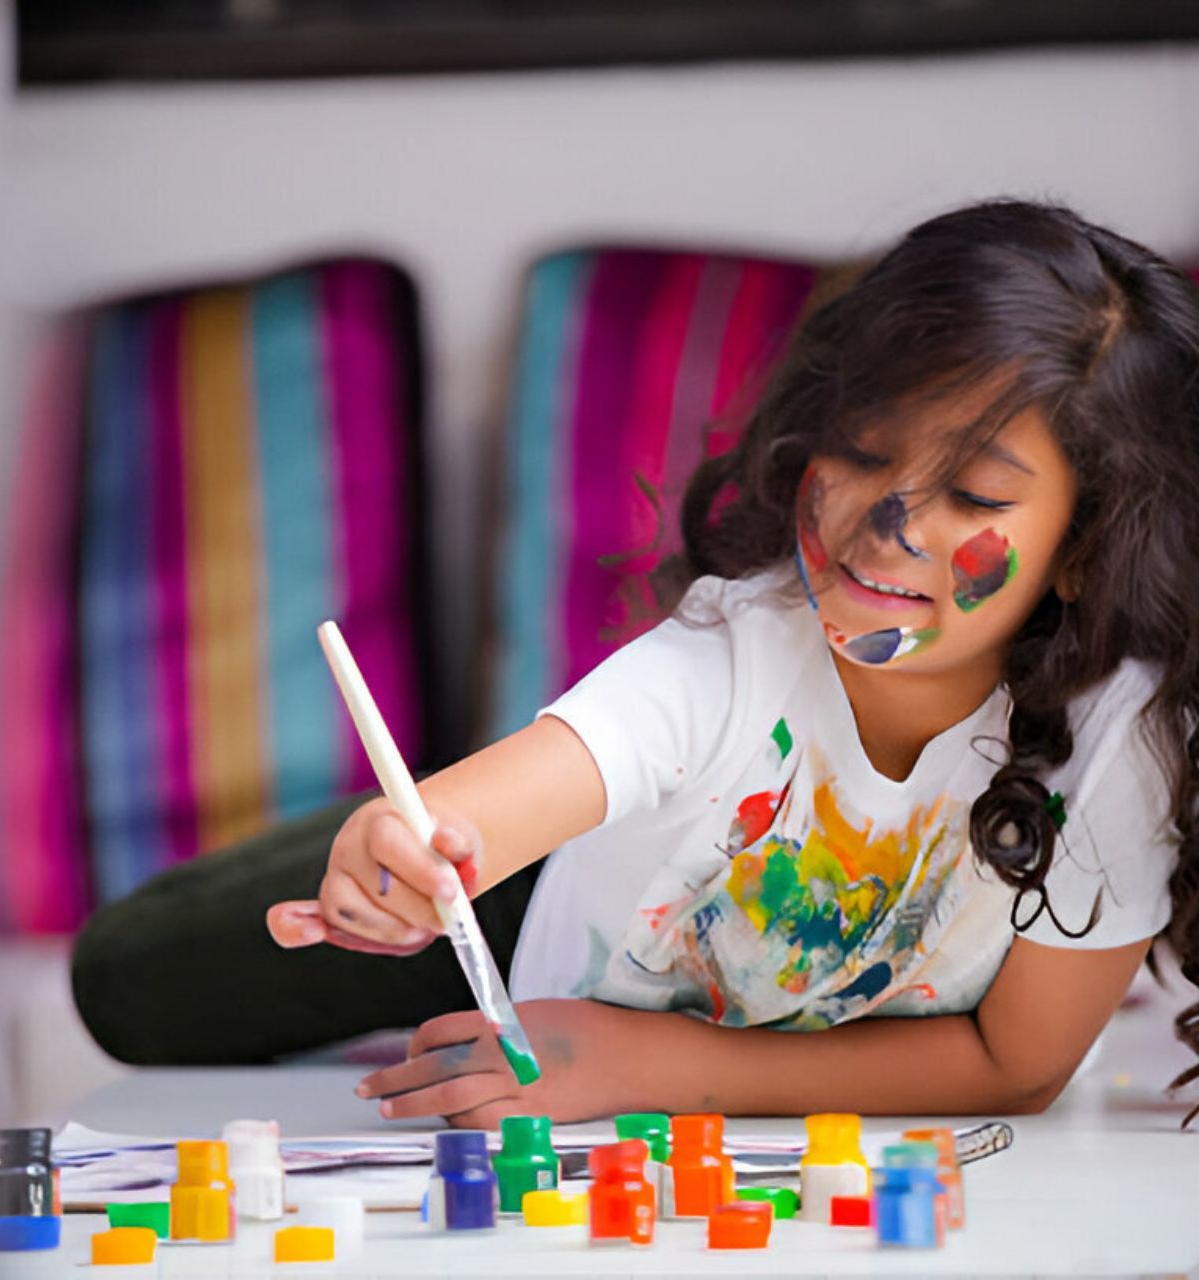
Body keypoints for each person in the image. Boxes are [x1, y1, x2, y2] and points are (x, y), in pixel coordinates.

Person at [72, 200, 1199, 1128]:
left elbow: (1015, 1064)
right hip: (537, 904)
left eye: (973, 497)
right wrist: (410, 850)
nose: (889, 522)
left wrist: (651, 1066)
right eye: (860, 452)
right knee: (126, 981)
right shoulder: (727, 656)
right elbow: (486, 819)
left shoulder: (1117, 739)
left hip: (656, 993)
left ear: (1082, 543)